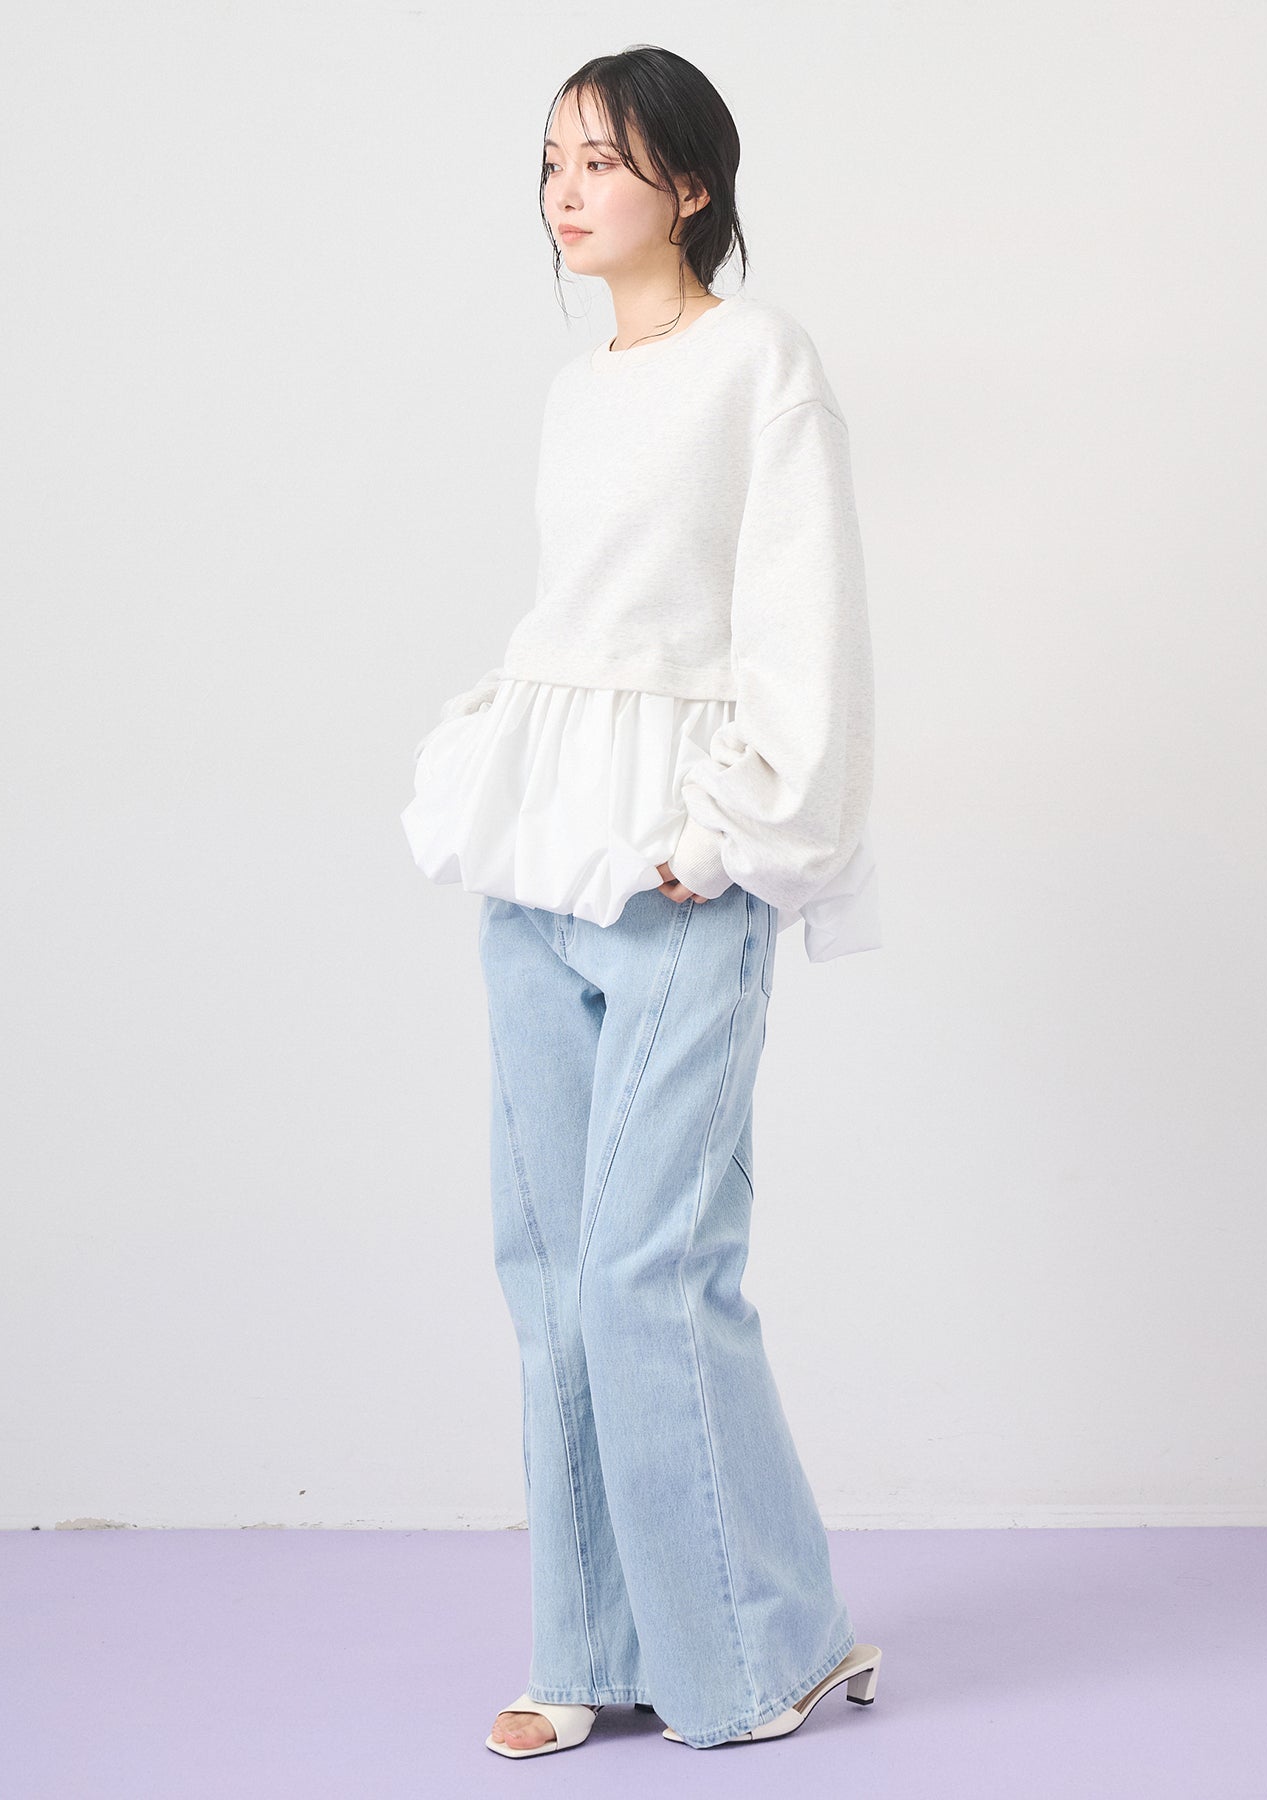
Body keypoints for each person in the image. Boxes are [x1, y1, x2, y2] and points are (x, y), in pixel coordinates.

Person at [401, 45, 884, 1755]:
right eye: (551, 162)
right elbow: (589, 618)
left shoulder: (762, 363)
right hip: (540, 861)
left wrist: (737, 826)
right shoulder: (575, 390)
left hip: (679, 866)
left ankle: (760, 1648)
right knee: (549, 1270)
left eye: (602, 161)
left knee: (649, 1268)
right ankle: (587, 1646)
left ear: (690, 184)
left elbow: (801, 613)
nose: (566, 191)